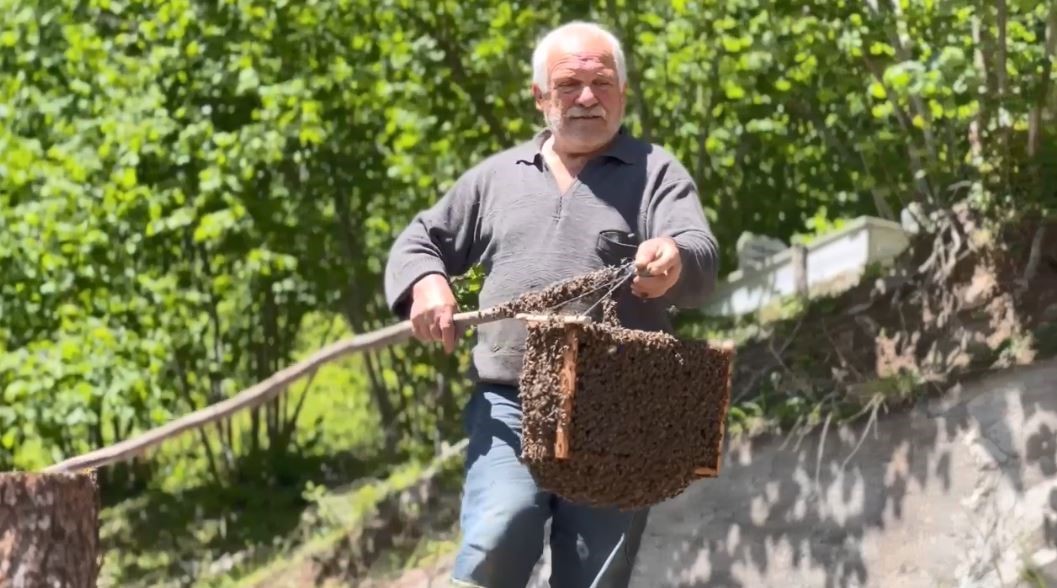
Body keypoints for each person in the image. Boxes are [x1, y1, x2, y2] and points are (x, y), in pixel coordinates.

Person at [383, 20, 719, 588]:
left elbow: (700, 253)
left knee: (593, 576)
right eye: (569, 84)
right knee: (500, 529)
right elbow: (420, 240)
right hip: (508, 403)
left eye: (602, 83)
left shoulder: (656, 171)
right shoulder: (495, 178)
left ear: (623, 94)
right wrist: (426, 283)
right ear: (540, 97)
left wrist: (673, 261)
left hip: (620, 412)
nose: (588, 97)